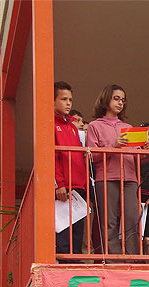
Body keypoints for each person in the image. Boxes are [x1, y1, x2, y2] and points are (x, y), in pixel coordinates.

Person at [86, 84, 149, 255]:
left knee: (132, 218)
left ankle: (133, 258)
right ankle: (112, 258)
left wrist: (146, 151)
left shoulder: (128, 127)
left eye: (123, 100)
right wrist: (114, 146)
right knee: (109, 220)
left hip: (130, 179)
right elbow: (92, 156)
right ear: (106, 98)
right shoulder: (95, 126)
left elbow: (135, 156)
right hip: (107, 178)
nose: (120, 103)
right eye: (116, 98)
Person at [54, 81, 88, 261]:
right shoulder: (50, 123)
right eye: (63, 99)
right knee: (64, 231)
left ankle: (75, 262)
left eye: (70, 100)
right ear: (52, 101)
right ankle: (65, 264)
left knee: (77, 231)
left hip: (78, 186)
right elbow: (52, 157)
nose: (68, 103)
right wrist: (58, 184)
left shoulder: (73, 126)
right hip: (63, 186)